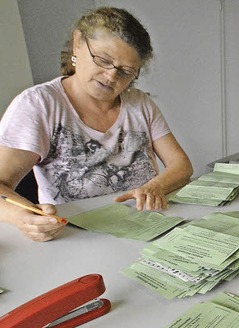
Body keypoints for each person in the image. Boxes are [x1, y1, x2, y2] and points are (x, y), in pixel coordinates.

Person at [0, 7, 193, 242]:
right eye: (103, 60)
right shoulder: (38, 105)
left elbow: (181, 165)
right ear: (78, 43)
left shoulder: (139, 103)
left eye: (125, 72)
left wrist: (156, 186)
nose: (111, 76)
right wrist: (24, 218)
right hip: (76, 236)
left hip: (144, 227)